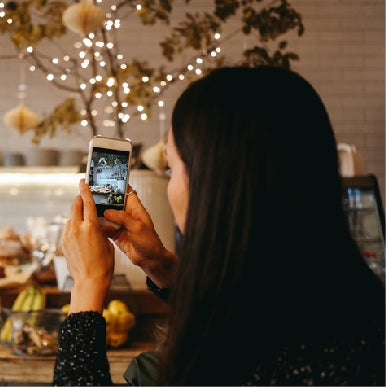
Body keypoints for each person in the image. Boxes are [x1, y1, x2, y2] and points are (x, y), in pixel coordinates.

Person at [53, 66, 385, 386]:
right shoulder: (341, 306)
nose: (170, 187)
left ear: (213, 187)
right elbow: (245, 315)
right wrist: (158, 264)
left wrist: (87, 284)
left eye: (171, 169)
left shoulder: (281, 362)